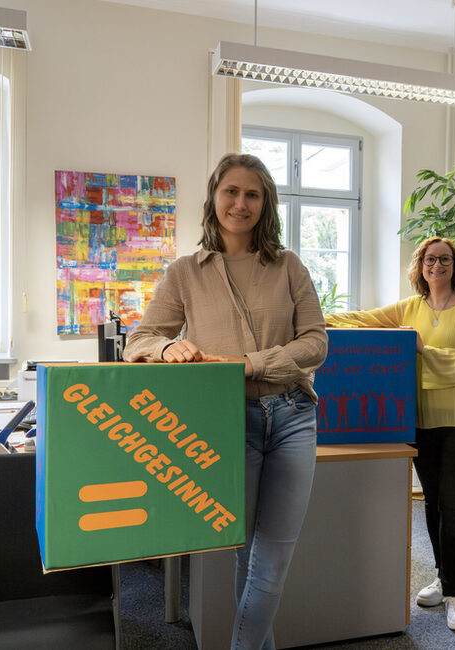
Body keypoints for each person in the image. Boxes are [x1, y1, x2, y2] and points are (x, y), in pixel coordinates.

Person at [123, 153, 328, 650]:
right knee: (247, 556)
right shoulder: (185, 273)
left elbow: (316, 343)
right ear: (214, 196)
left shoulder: (289, 267)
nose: (240, 203)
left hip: (293, 419)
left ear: (266, 202)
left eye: (252, 194)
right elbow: (139, 340)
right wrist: (169, 346)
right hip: (226, 421)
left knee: (272, 561)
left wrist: (249, 364)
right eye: (231, 192)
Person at [325, 236, 455, 632]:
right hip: (421, 420)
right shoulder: (409, 308)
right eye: (429, 259)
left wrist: (422, 349)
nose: (437, 265)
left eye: (445, 259)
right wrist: (314, 319)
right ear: (419, 266)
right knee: (433, 503)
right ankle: (442, 575)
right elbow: (359, 320)